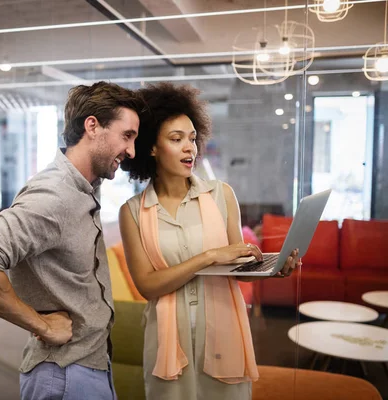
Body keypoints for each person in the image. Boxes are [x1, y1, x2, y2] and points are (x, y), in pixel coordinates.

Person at [0, 81, 144, 400]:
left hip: (85, 368)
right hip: (66, 377)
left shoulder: (84, 189)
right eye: (127, 136)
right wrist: (41, 326)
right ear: (92, 126)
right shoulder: (56, 195)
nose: (132, 151)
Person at [118, 82, 301, 400]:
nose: (190, 148)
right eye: (176, 140)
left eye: (192, 138)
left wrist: (272, 269)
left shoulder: (221, 194)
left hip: (221, 328)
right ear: (151, 147)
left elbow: (236, 266)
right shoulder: (132, 211)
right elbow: (148, 286)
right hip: (166, 336)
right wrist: (208, 257)